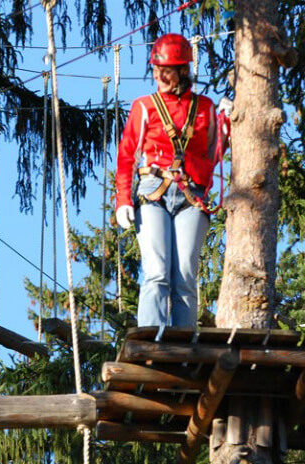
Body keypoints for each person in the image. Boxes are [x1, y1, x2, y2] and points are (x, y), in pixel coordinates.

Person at [114, 33, 230, 329]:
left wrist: (226, 124)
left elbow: (212, 154)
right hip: (154, 191)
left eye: (165, 71)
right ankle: (153, 339)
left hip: (191, 195)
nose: (159, 76)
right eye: (156, 70)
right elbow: (127, 155)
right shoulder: (145, 107)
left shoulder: (204, 107)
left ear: (182, 71)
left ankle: (184, 343)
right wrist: (124, 200)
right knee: (157, 271)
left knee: (185, 277)